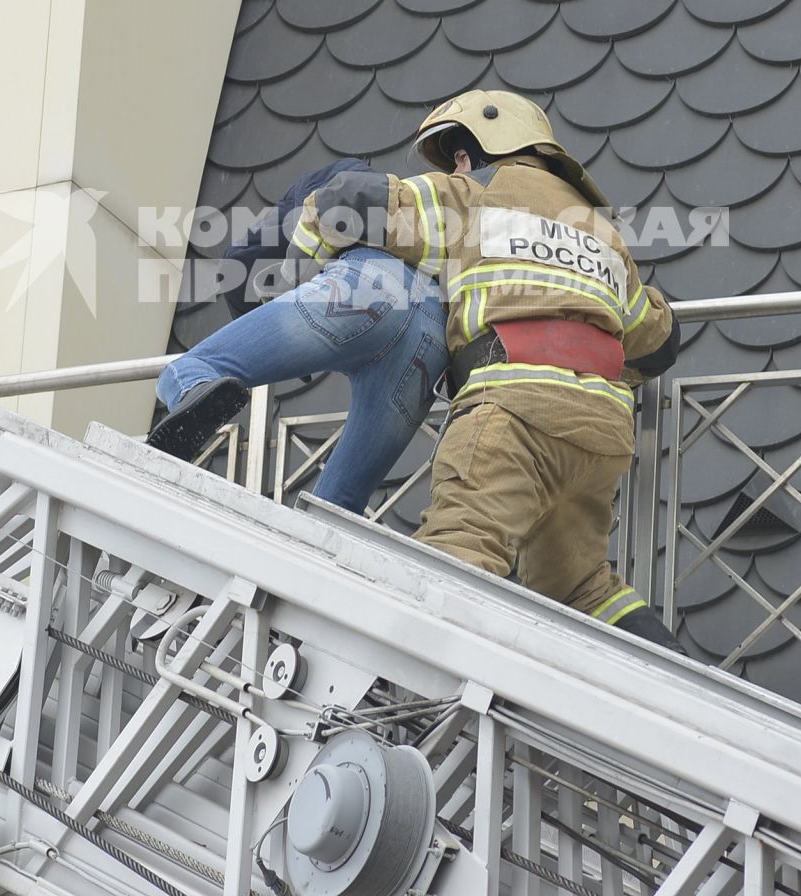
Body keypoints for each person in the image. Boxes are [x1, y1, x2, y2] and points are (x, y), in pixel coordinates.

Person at [288, 91, 684, 650]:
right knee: (583, 590)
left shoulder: (473, 196)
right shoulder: (604, 234)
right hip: (600, 433)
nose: (455, 167)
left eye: (457, 155)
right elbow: (656, 341)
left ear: (477, 153)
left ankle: (416, 713)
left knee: (456, 557)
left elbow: (349, 202)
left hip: (510, 415)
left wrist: (303, 262)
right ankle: (674, 682)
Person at [148, 157, 448, 514]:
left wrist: (284, 348)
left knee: (190, 368)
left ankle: (193, 393)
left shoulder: (324, 182)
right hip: (434, 330)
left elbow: (240, 261)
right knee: (336, 504)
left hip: (363, 288)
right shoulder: (421, 204)